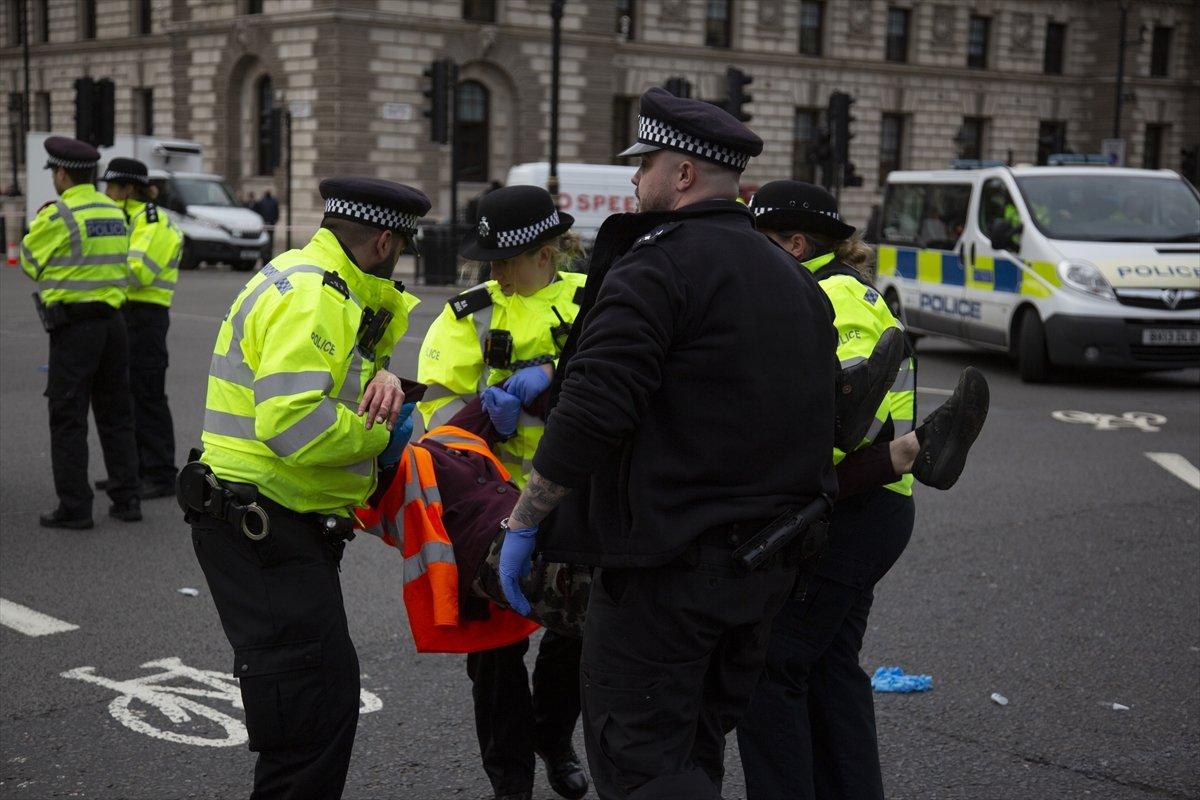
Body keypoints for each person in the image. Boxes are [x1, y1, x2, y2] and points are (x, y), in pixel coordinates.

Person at [495, 88, 839, 799]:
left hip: (666, 571)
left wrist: (524, 521)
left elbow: (593, 411)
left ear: (681, 173)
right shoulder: (794, 279)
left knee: (642, 761)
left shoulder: (658, 265)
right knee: (698, 746)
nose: (633, 178)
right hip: (762, 569)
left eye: (644, 162)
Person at [739, 180, 990, 800]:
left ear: (796, 244)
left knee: (771, 669)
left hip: (847, 509)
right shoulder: (829, 288)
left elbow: (853, 405)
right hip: (868, 506)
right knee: (827, 667)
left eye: (759, 240)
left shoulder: (835, 295)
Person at [183, 178, 428, 800]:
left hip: (270, 522)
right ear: (383, 240)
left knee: (315, 702)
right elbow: (292, 419)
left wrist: (390, 387)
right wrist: (383, 434)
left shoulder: (306, 276)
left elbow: (333, 384)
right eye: (403, 246)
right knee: (310, 715)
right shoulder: (319, 296)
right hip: (264, 526)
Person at [417, 184, 588, 800]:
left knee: (575, 634)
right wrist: (483, 417)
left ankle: (554, 736)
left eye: (504, 260)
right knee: (493, 654)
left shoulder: (594, 303)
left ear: (546, 252)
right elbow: (436, 420)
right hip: (492, 507)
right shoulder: (470, 315)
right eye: (486, 261)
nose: (493, 273)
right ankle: (510, 781)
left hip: (574, 498)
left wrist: (548, 382)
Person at [20, 136, 141, 529]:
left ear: (61, 174)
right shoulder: (115, 212)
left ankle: (75, 507)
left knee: (68, 417)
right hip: (114, 325)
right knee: (116, 414)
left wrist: (40, 224)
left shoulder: (57, 216)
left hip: (75, 331)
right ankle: (127, 499)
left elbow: (29, 263)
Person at [99, 157, 184, 499]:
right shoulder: (128, 218)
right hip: (127, 314)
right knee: (127, 395)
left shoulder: (152, 221)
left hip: (146, 317)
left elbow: (138, 273)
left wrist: (98, 268)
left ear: (128, 189)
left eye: (111, 186)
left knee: (147, 396)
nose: (106, 192)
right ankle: (133, 470)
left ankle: (161, 473)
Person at [259, 189, 280, 256]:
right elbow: (260, 211)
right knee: (264, 239)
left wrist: (275, 220)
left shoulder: (273, 201)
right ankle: (264, 254)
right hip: (264, 224)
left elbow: (276, 212)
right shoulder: (263, 201)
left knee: (270, 240)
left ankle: (269, 254)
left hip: (271, 223)